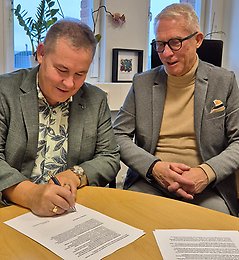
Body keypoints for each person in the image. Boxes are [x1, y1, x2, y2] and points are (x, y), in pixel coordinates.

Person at [113, 3, 239, 216]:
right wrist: (154, 167)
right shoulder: (142, 83)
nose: (166, 53)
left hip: (206, 186)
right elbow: (118, 135)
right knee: (129, 221)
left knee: (215, 233)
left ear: (198, 40)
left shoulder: (224, 81)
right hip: (151, 182)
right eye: (160, 44)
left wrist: (205, 173)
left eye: (175, 42)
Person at [0, 18, 120, 217]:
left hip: (70, 212)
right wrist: (31, 195)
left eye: (80, 74)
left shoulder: (96, 100)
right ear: (41, 53)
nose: (69, 83)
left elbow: (109, 157)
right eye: (62, 70)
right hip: (11, 209)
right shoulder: (5, 91)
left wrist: (76, 175)